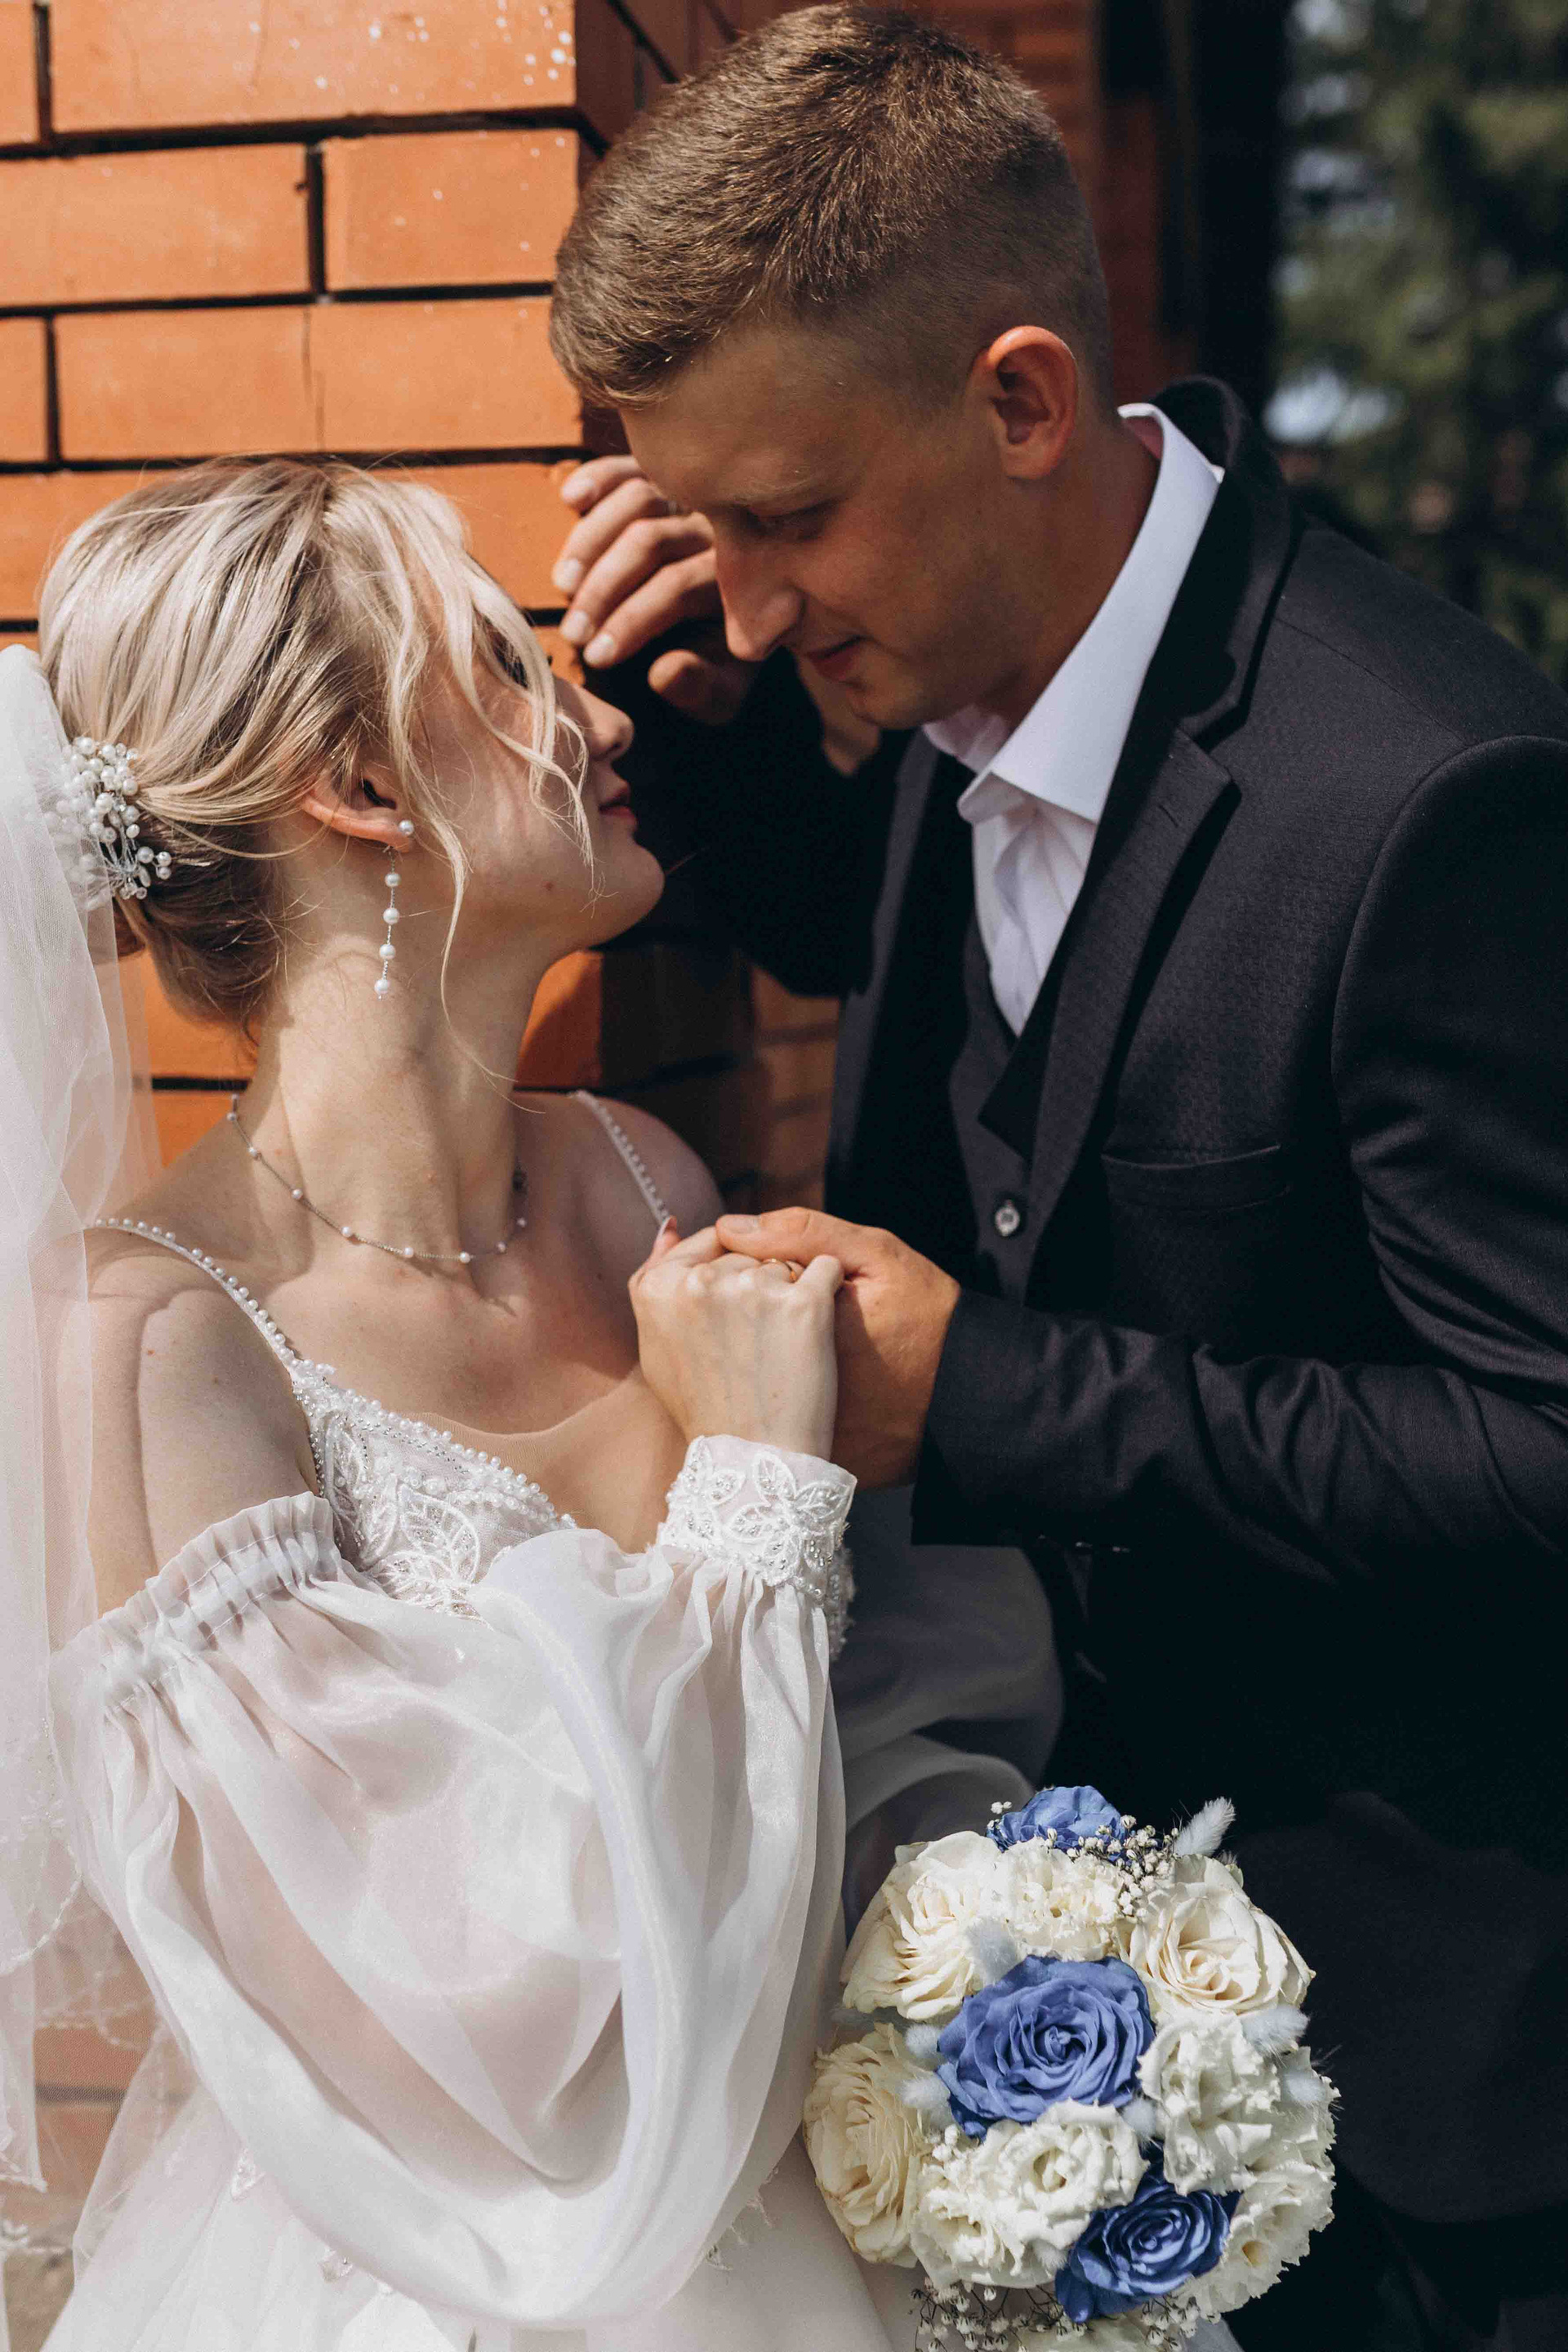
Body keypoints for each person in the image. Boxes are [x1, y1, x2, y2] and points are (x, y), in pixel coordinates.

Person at [543, 9, 1568, 2348]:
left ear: (1020, 400)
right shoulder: (953, 658)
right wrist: (717, 736)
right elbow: (944, 957)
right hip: (1048, 2041)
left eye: (785, 518)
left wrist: (992, 1395)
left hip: (1449, 2104)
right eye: (703, 531)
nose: (754, 599)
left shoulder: (1433, 800)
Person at [0, 458, 1063, 2351]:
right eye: (507, 666)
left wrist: (1015, 1990)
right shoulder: (153, 1342)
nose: (599, 716)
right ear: (356, 785)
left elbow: (859, 1731)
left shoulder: (641, 1176)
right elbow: (484, 2038)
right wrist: (753, 1479)